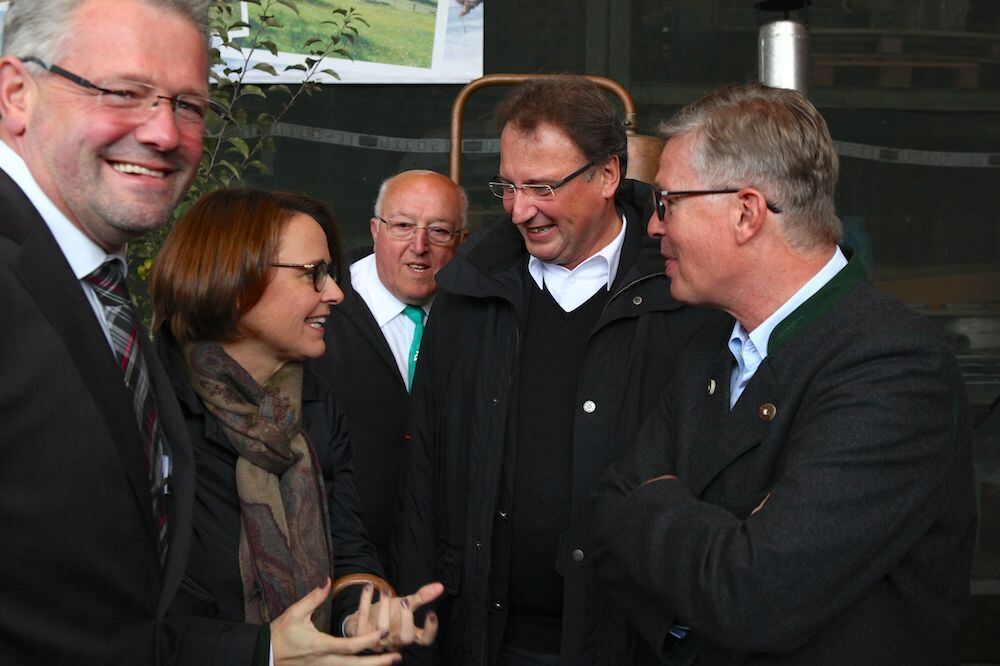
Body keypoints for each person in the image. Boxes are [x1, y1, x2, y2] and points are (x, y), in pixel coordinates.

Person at [588, 83, 977, 664]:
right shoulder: (708, 348)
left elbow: (755, 595)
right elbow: (608, 513)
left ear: (746, 212)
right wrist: (720, 540)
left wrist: (657, 504)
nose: (653, 227)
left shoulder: (892, 366)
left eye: (667, 202)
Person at [394, 75, 720, 665]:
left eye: (542, 187)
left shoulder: (686, 298)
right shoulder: (468, 295)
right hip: (490, 642)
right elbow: (425, 475)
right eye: (508, 187)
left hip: (635, 645)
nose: (521, 211)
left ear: (608, 176)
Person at [150, 188, 444, 665]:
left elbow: (348, 548)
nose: (336, 292)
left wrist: (360, 614)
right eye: (314, 274)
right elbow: (112, 621)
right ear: (236, 277)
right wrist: (263, 652)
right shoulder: (149, 409)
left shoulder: (318, 405)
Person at [0, 0, 210, 661]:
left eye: (190, 106)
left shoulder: (98, 284)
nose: (165, 134)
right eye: (124, 93)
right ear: (15, 95)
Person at [314, 169, 467, 573]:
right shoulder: (319, 313)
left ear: (462, 242)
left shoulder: (478, 322)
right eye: (402, 226)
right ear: (375, 230)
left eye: (439, 231)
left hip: (443, 568)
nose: (419, 246)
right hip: (340, 565)